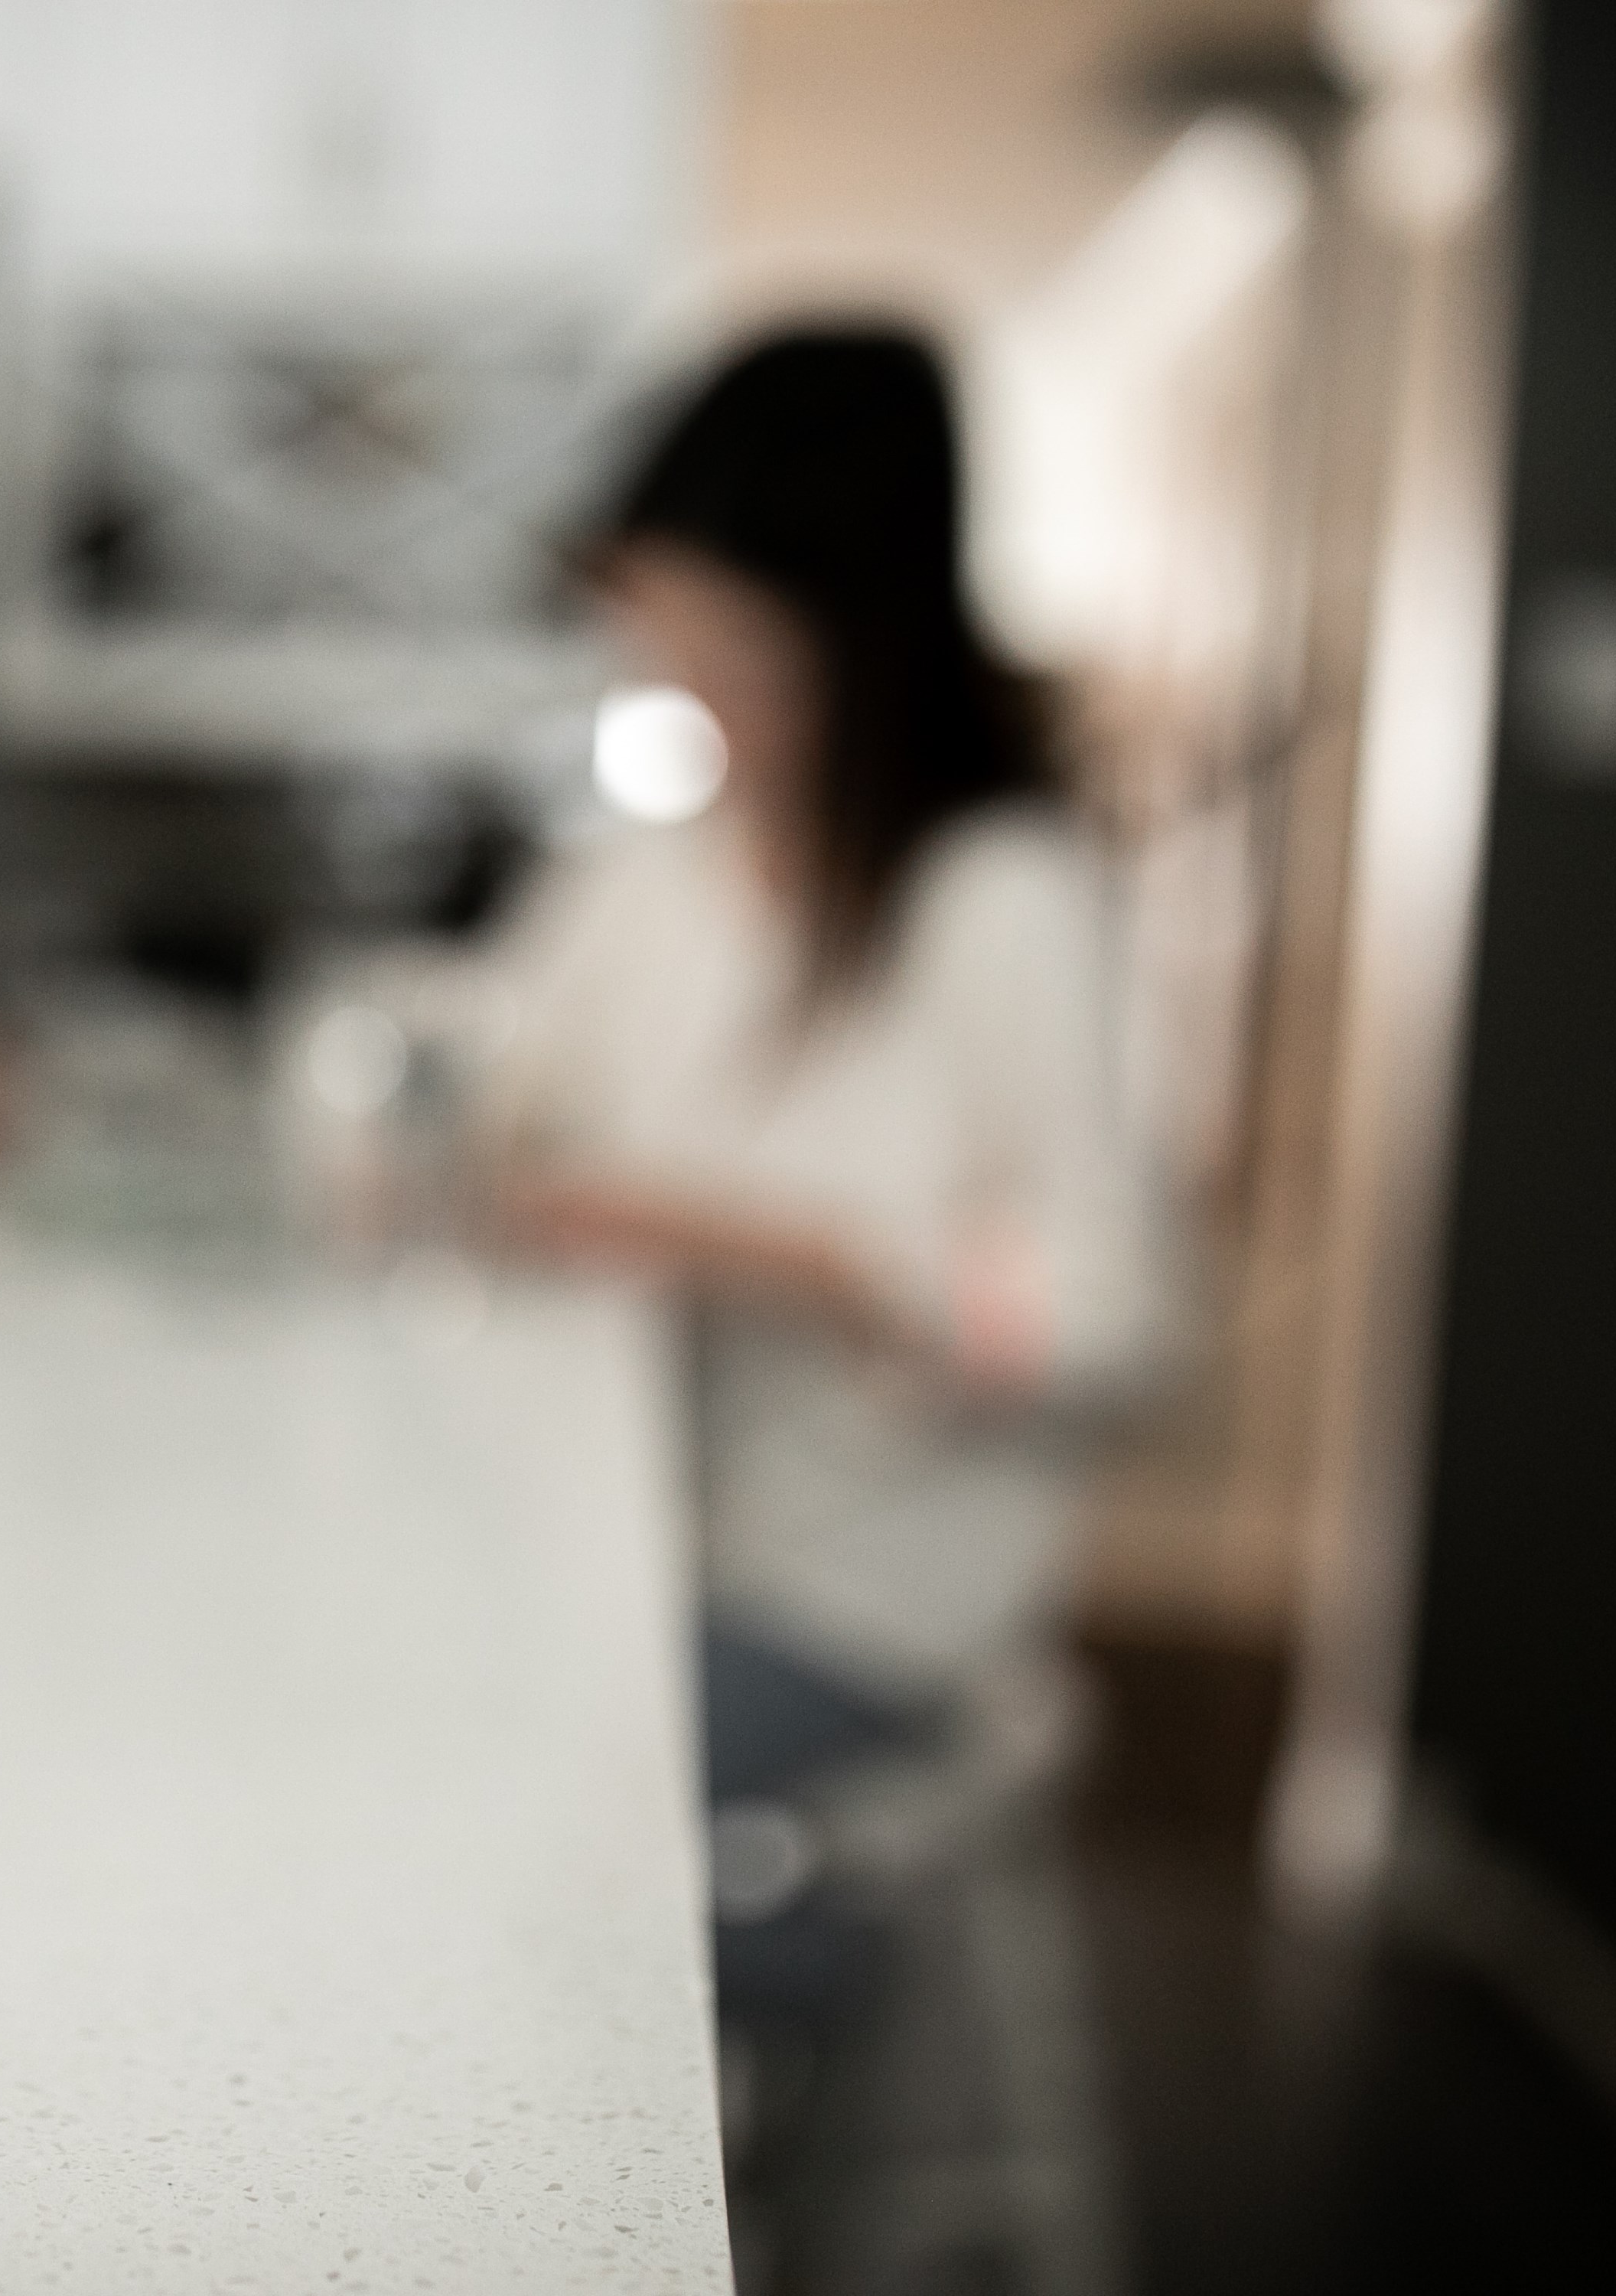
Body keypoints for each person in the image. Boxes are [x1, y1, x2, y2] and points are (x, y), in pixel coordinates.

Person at [481, 327, 1174, 2027]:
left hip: (869, 1597)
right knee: (425, 1755)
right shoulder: (667, 869)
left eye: (722, 639)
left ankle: (819, 2006)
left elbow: (1119, 1321)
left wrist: (791, 1257)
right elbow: (499, 1076)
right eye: (656, 631)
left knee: (497, 1823)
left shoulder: (1001, 901)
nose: (677, 678)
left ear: (847, 634)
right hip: (653, 1537)